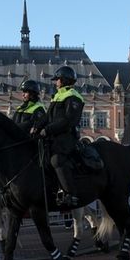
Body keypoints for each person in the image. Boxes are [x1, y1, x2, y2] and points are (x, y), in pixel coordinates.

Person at [32, 65, 84, 207]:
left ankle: (70, 194)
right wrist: (36, 126)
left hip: (66, 137)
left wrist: (47, 130)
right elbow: (48, 116)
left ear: (64, 80)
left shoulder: (73, 96)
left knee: (56, 159)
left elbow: (68, 121)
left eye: (57, 80)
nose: (55, 83)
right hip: (54, 136)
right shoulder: (58, 96)